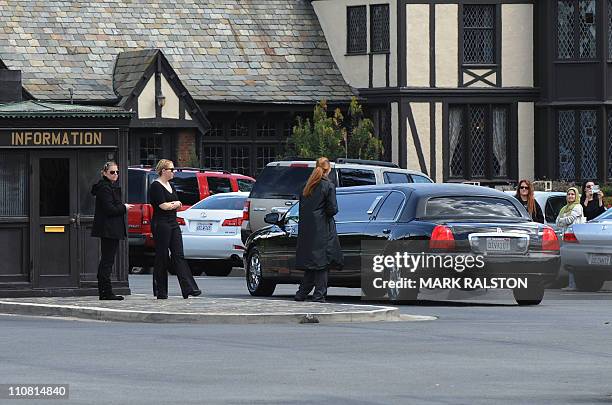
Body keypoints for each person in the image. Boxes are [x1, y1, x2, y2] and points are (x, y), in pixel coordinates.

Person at [149, 159, 201, 299]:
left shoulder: (171, 185)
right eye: (171, 170)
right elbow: (162, 206)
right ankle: (161, 291)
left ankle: (189, 288)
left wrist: (173, 204)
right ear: (163, 171)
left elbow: (176, 203)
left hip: (173, 222)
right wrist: (174, 204)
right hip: (161, 224)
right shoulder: (156, 186)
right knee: (162, 256)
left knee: (178, 255)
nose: (173, 172)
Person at [294, 157, 343, 303]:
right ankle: (318, 295)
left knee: (312, 264)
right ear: (328, 170)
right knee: (322, 264)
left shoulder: (306, 186)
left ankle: (301, 294)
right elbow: (333, 209)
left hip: (307, 229)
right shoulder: (328, 186)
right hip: (323, 228)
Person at [91, 161, 131, 300]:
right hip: (108, 229)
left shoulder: (109, 187)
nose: (115, 175)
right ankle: (105, 292)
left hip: (111, 228)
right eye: (112, 172)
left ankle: (105, 291)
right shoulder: (105, 188)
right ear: (104, 173)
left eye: (117, 172)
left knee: (108, 260)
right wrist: (124, 207)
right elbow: (110, 209)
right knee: (107, 261)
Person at [556, 187, 586, 291]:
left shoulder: (578, 207)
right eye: (569, 194)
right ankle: (570, 283)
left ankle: (573, 284)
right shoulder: (564, 208)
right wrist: (562, 220)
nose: (570, 196)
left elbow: (570, 219)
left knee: (572, 261)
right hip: (566, 236)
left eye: (573, 194)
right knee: (568, 261)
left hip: (575, 237)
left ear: (576, 196)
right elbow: (557, 222)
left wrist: (562, 220)